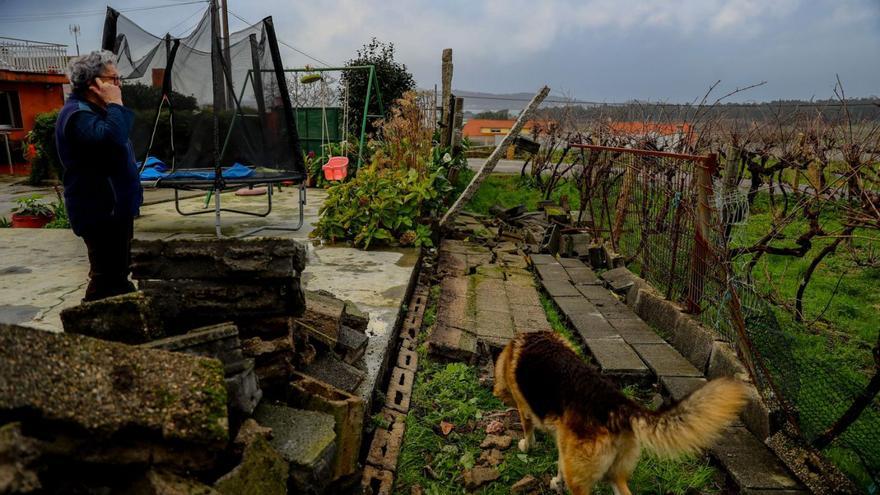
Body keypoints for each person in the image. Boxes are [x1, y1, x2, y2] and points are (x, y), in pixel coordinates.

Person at [56, 50, 143, 302]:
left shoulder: (96, 111)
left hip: (116, 208)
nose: (118, 85)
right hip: (98, 210)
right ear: (93, 83)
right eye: (113, 79)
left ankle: (123, 320)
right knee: (106, 275)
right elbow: (112, 140)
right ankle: (89, 328)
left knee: (119, 272)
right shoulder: (78, 114)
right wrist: (116, 102)